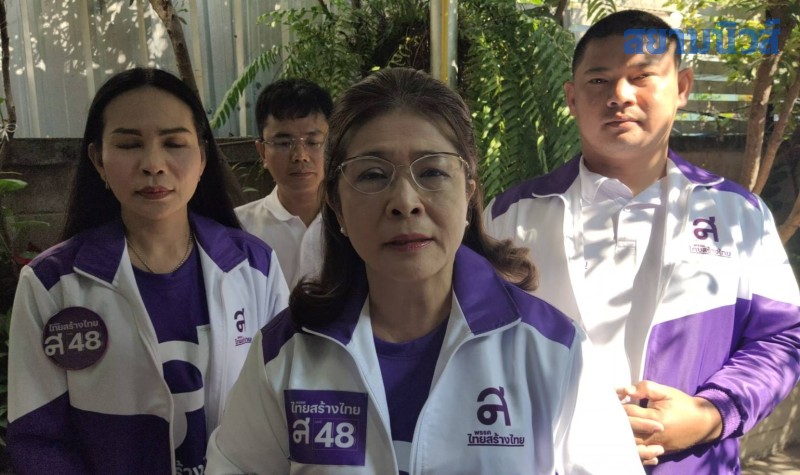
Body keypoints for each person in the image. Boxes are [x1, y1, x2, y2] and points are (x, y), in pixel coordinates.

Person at [205, 67, 643, 474]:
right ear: (336, 204)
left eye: (432, 171)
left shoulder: (552, 350)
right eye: (373, 175)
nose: (404, 201)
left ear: (468, 192)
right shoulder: (285, 353)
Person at [484, 9, 800, 474]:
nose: (620, 95)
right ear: (571, 98)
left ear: (683, 87)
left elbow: (783, 336)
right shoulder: (508, 217)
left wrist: (711, 414)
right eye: (598, 80)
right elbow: (472, 346)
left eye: (642, 76)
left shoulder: (739, 216)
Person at [7, 67, 290, 474]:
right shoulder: (52, 285)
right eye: (129, 144)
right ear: (98, 160)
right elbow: (40, 438)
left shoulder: (255, 267)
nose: (153, 164)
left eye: (174, 143)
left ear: (202, 157)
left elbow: (283, 403)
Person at [235, 78, 333, 289]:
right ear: (262, 152)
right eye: (284, 143)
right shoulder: (239, 229)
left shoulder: (354, 223)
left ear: (332, 146)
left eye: (313, 142)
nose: (300, 156)